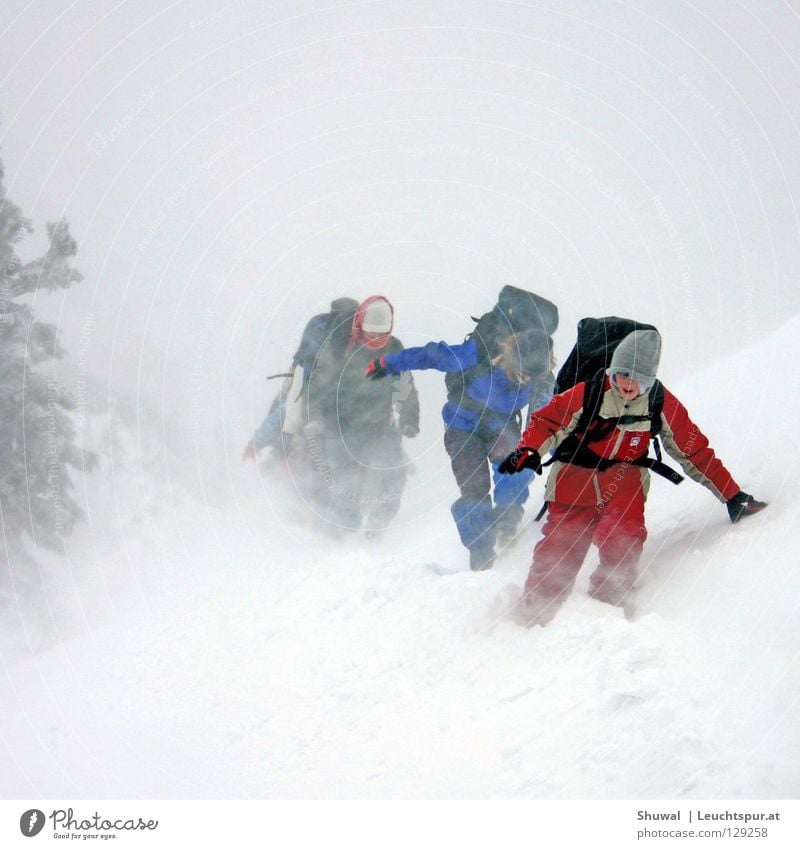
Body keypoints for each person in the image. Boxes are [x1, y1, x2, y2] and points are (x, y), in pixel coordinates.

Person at [498, 329, 767, 625]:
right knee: (560, 545)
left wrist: (732, 495)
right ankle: (533, 615)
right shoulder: (588, 393)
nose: (628, 383)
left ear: (650, 380)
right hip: (573, 477)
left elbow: (694, 451)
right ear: (612, 371)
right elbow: (548, 421)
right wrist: (528, 449)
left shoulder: (659, 402)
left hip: (625, 478)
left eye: (639, 378)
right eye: (622, 374)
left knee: (623, 537)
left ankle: (607, 610)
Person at [365, 296, 556, 570]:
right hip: (461, 426)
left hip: (500, 426)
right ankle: (481, 552)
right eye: (522, 373)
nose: (525, 379)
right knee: (474, 489)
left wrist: (565, 452)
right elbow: (432, 355)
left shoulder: (542, 380)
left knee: (519, 461)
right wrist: (390, 363)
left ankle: (507, 519)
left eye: (531, 376)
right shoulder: (477, 354)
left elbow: (546, 423)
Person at [302, 295, 420, 537]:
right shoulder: (339, 348)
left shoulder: (395, 349)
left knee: (394, 474)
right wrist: (314, 419)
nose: (376, 341)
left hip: (379, 426)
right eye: (371, 336)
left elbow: (405, 387)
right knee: (345, 481)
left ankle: (378, 523)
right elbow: (316, 387)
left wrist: (409, 419)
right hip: (341, 427)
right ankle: (343, 534)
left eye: (382, 336)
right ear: (360, 329)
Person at [242, 297, 360, 464]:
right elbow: (291, 407)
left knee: (291, 408)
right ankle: (279, 456)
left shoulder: (322, 327)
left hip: (309, 380)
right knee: (293, 409)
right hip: (307, 380)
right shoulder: (330, 332)